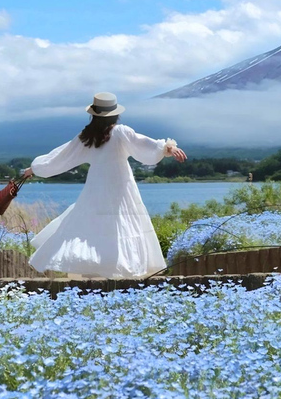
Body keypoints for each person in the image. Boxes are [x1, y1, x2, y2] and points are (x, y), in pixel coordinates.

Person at [22, 92, 187, 278]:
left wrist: (35, 169)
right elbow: (144, 145)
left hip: (96, 187)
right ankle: (121, 272)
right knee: (122, 224)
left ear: (94, 114)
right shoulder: (120, 132)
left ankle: (95, 270)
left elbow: (62, 156)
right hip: (121, 188)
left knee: (92, 224)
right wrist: (168, 147)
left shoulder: (87, 137)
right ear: (115, 114)